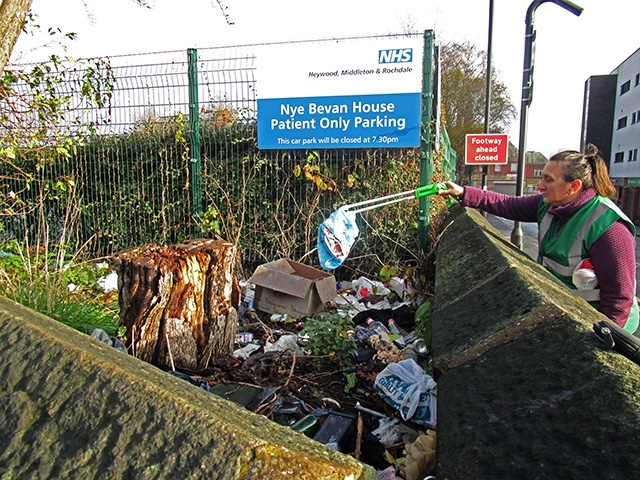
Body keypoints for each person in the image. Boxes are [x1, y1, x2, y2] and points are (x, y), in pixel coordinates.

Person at [439, 143, 639, 336]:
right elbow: (508, 205)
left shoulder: (609, 227)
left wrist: (603, 339)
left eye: (548, 180)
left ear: (574, 186)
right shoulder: (548, 205)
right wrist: (464, 193)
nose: (540, 186)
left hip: (601, 323)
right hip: (569, 312)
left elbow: (619, 298)